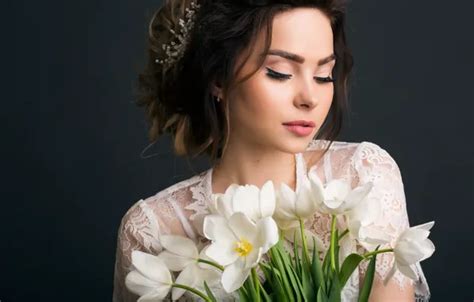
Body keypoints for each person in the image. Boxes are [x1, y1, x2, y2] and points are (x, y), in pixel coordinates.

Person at [113, 0, 431, 301]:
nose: (310, 97)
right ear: (218, 78)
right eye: (280, 72)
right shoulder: (152, 229)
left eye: (324, 75)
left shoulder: (364, 173)